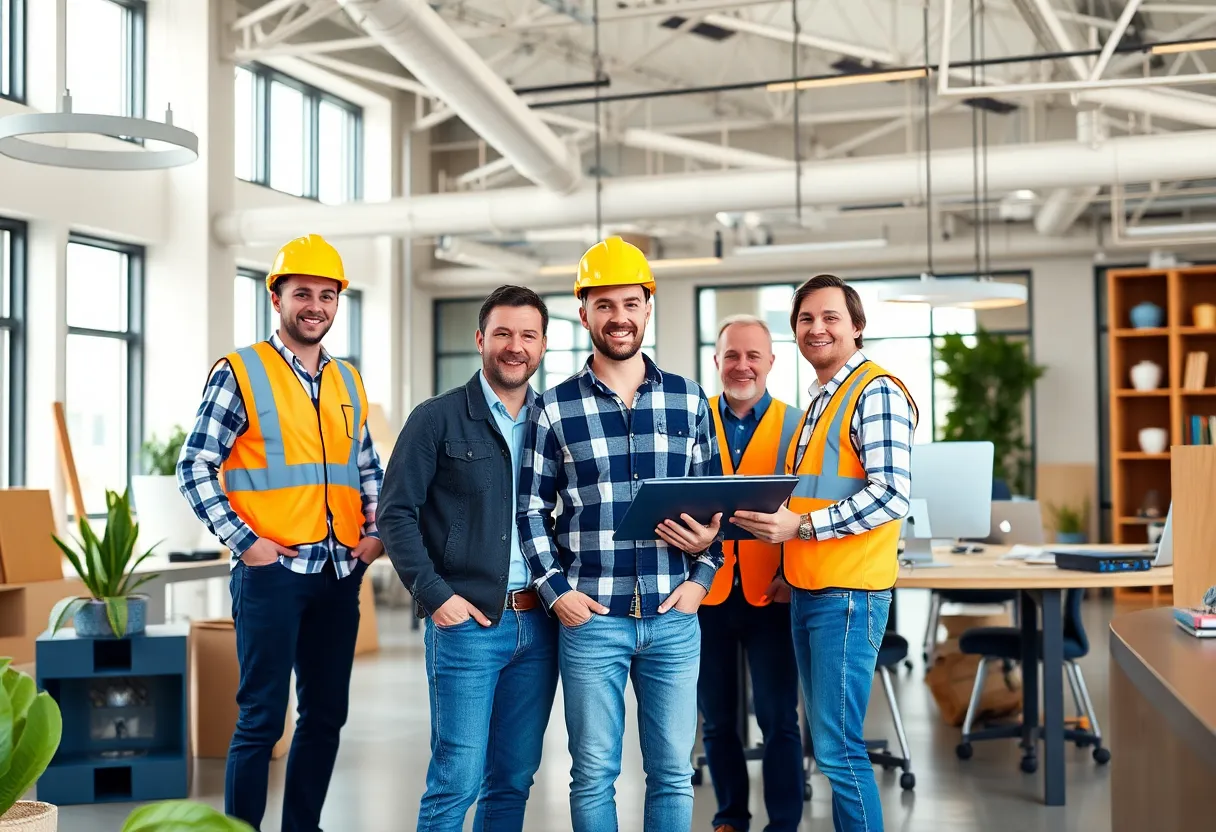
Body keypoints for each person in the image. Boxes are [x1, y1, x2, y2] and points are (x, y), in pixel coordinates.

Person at [177, 233, 384, 832]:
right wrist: (247, 544)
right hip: (271, 575)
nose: (314, 306)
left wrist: (375, 536)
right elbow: (194, 465)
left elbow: (366, 466)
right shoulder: (241, 372)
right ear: (276, 297)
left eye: (327, 294)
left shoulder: (348, 380)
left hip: (339, 572)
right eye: (302, 293)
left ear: (338, 302)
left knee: (325, 716)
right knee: (261, 719)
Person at [517, 236, 724, 832]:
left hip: (674, 616)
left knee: (672, 773)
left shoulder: (688, 399)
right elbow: (530, 510)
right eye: (603, 305)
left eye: (629, 303)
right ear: (583, 312)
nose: (619, 317)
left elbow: (718, 509)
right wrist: (556, 592)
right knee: (594, 775)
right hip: (592, 619)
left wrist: (701, 582)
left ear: (648, 307)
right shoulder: (553, 409)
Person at [731, 274, 917, 832]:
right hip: (811, 591)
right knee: (830, 747)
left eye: (832, 317)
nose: (818, 328)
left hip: (849, 595)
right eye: (806, 319)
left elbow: (891, 495)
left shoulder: (875, 390)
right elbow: (815, 488)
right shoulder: (821, 399)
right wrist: (791, 567)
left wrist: (802, 530)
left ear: (857, 327)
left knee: (838, 752)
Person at [378, 285, 558, 832]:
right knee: (456, 778)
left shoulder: (554, 422)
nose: (514, 346)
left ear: (544, 345)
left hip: (542, 624)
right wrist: (435, 597)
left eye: (527, 335)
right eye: (502, 333)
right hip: (468, 625)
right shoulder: (436, 419)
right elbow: (394, 514)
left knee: (513, 779)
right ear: (480, 339)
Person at [698, 315, 805, 832]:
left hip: (774, 593)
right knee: (717, 722)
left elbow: (810, 507)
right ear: (717, 361)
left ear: (770, 362)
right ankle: (730, 818)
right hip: (707, 594)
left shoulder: (799, 425)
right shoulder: (693, 420)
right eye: (732, 356)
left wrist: (792, 573)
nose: (742, 365)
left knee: (780, 719)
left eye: (753, 356)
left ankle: (783, 823)